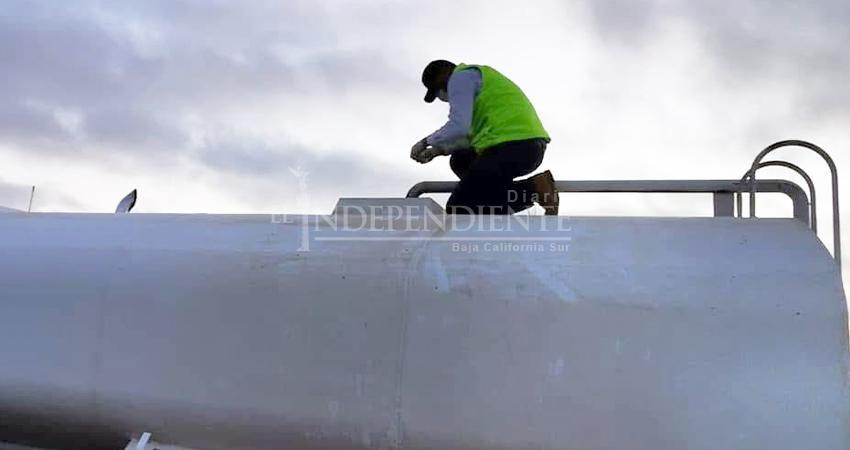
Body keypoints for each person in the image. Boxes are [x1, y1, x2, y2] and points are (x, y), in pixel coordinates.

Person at [410, 60, 558, 215]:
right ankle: (492, 191)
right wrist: (438, 150)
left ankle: (535, 188)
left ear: (444, 74)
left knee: (460, 207)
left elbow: (458, 125)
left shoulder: (460, 78)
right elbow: (470, 138)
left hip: (513, 147)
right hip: (524, 146)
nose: (442, 95)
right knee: (460, 160)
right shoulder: (478, 82)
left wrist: (425, 142)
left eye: (439, 89)